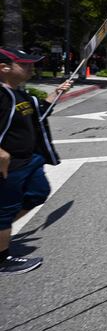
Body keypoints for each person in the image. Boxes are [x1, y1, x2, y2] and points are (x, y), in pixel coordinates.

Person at [0, 47, 72, 274]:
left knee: (37, 193)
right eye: (25, 64)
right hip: (8, 166)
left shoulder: (20, 94)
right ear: (4, 68)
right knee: (4, 210)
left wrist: (57, 93)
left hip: (30, 161)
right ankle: (2, 259)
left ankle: (3, 229)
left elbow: (39, 110)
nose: (32, 67)